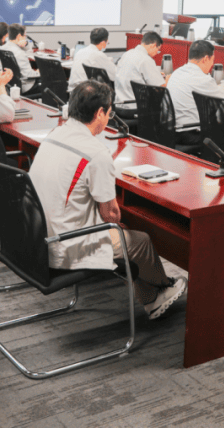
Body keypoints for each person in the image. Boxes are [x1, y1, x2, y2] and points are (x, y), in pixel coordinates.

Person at [28, 80, 186, 319]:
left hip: (37, 234)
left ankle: (152, 289)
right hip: (63, 243)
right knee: (139, 240)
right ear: (100, 113)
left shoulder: (54, 134)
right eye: (110, 113)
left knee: (121, 233)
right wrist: (117, 222)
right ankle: (156, 295)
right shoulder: (95, 153)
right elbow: (111, 215)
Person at [166, 39, 224, 146]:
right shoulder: (204, 80)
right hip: (189, 134)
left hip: (170, 131)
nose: (212, 64)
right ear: (205, 59)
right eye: (212, 60)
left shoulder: (176, 72)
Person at [115, 32, 167, 118]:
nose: (157, 53)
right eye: (158, 50)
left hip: (119, 105)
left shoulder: (127, 54)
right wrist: (168, 79)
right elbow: (160, 88)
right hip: (135, 107)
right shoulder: (146, 59)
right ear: (153, 45)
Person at [68, 27, 117, 91]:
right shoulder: (99, 55)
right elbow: (116, 75)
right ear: (103, 42)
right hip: (86, 92)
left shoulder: (80, 52)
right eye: (107, 42)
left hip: (73, 91)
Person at [0, 24, 39, 92]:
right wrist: (39, 72)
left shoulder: (2, 48)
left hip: (8, 84)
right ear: (19, 36)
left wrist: (24, 44)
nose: (25, 39)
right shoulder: (20, 53)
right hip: (25, 86)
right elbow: (28, 74)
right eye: (24, 36)